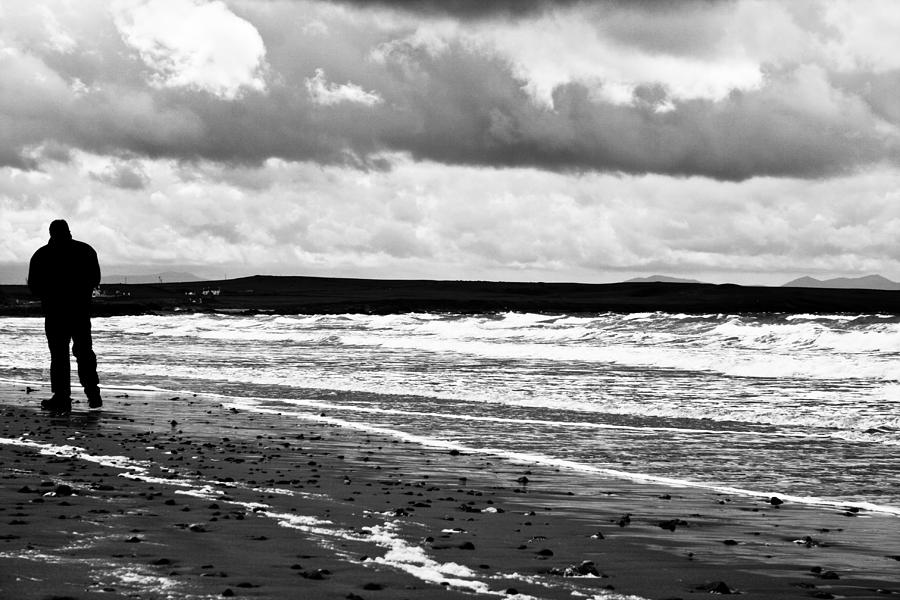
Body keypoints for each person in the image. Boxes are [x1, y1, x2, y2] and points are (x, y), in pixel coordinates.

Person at [27, 220, 103, 413]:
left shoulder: (41, 254)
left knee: (59, 356)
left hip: (54, 312)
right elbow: (95, 279)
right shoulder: (85, 250)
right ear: (68, 231)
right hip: (80, 311)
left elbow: (34, 288)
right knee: (84, 353)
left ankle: (62, 397)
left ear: (51, 233)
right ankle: (93, 394)